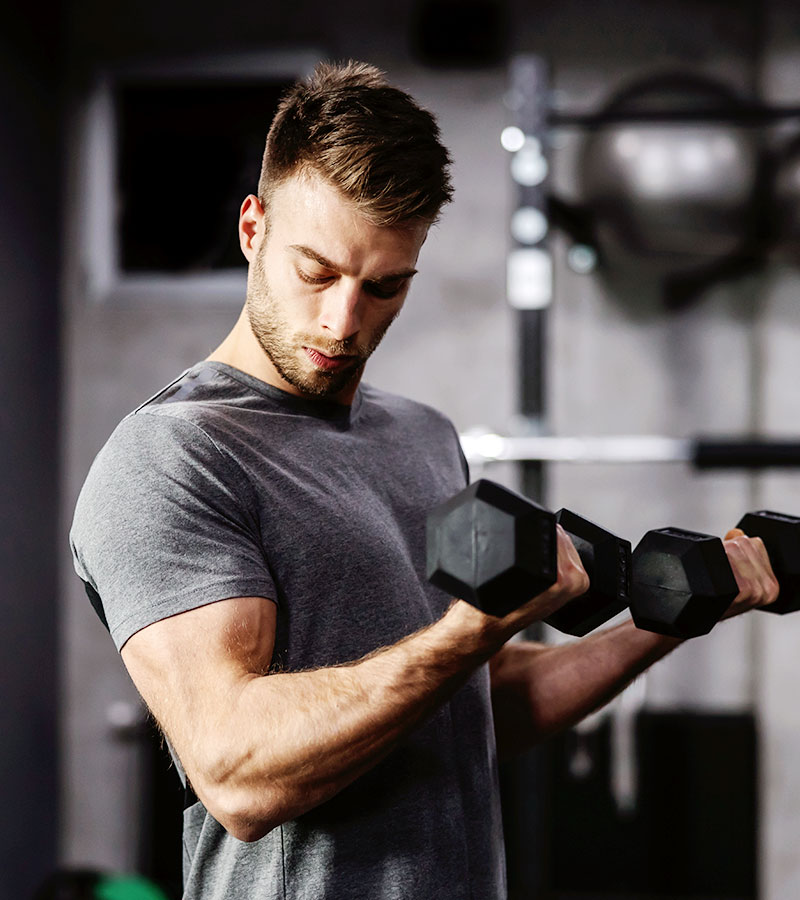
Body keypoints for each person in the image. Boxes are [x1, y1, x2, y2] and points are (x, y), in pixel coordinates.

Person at [70, 60, 778, 900]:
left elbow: (475, 706)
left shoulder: (421, 437)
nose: (344, 320)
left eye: (384, 286)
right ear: (252, 228)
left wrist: (674, 618)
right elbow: (237, 775)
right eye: (316, 272)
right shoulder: (175, 455)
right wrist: (467, 634)